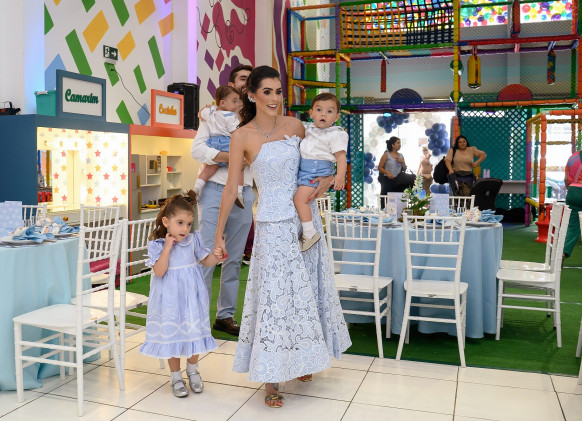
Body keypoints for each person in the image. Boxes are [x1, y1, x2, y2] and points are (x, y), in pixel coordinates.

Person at [212, 66, 351, 408]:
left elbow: (320, 161)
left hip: (305, 222)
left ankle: (304, 359)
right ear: (251, 95)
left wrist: (326, 181)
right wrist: (218, 235)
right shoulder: (241, 136)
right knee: (275, 299)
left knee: (306, 293)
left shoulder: (296, 126)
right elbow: (231, 187)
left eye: (278, 91)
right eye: (267, 91)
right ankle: (271, 377)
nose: (275, 98)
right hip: (272, 225)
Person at [191, 75, 255, 336]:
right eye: (241, 79)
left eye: (249, 80)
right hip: (214, 191)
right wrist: (232, 157)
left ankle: (225, 316)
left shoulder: (254, 119)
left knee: (234, 259)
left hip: (244, 193)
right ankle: (198, 318)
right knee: (207, 254)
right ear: (232, 85)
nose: (244, 84)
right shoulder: (213, 116)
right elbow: (197, 150)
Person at [139, 195, 219, 397]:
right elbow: (159, 271)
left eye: (189, 224)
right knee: (172, 334)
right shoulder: (157, 245)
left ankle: (192, 370)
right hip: (169, 300)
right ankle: (175, 376)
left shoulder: (193, 240)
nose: (185, 228)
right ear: (166, 222)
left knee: (193, 330)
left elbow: (206, 261)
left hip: (192, 297)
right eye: (180, 223)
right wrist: (167, 247)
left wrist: (216, 257)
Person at [294, 92, 348, 251]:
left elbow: (341, 157)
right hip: (306, 169)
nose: (323, 114)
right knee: (300, 199)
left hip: (317, 170)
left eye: (329, 111)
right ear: (311, 113)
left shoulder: (336, 134)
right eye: (319, 110)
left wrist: (339, 176)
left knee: (299, 200)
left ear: (336, 117)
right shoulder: (310, 129)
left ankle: (309, 232)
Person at [189, 86, 245, 208]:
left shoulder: (210, 112)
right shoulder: (231, 116)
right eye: (234, 101)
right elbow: (236, 133)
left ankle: (196, 188)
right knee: (238, 168)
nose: (236, 104)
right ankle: (239, 193)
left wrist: (203, 111)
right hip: (227, 143)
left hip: (213, 143)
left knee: (209, 167)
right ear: (223, 103)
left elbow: (200, 114)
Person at [563, 150, 582, 259]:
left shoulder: (572, 158)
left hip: (573, 191)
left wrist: (571, 190)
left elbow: (566, 180)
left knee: (573, 226)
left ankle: (564, 252)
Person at [378, 137, 407, 207]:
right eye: (398, 143)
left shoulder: (401, 155)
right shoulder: (386, 154)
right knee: (386, 200)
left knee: (397, 200)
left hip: (398, 181)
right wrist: (387, 173)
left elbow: (404, 168)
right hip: (387, 180)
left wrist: (402, 162)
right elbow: (380, 167)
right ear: (393, 145)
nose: (400, 145)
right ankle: (384, 212)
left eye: (400, 143)